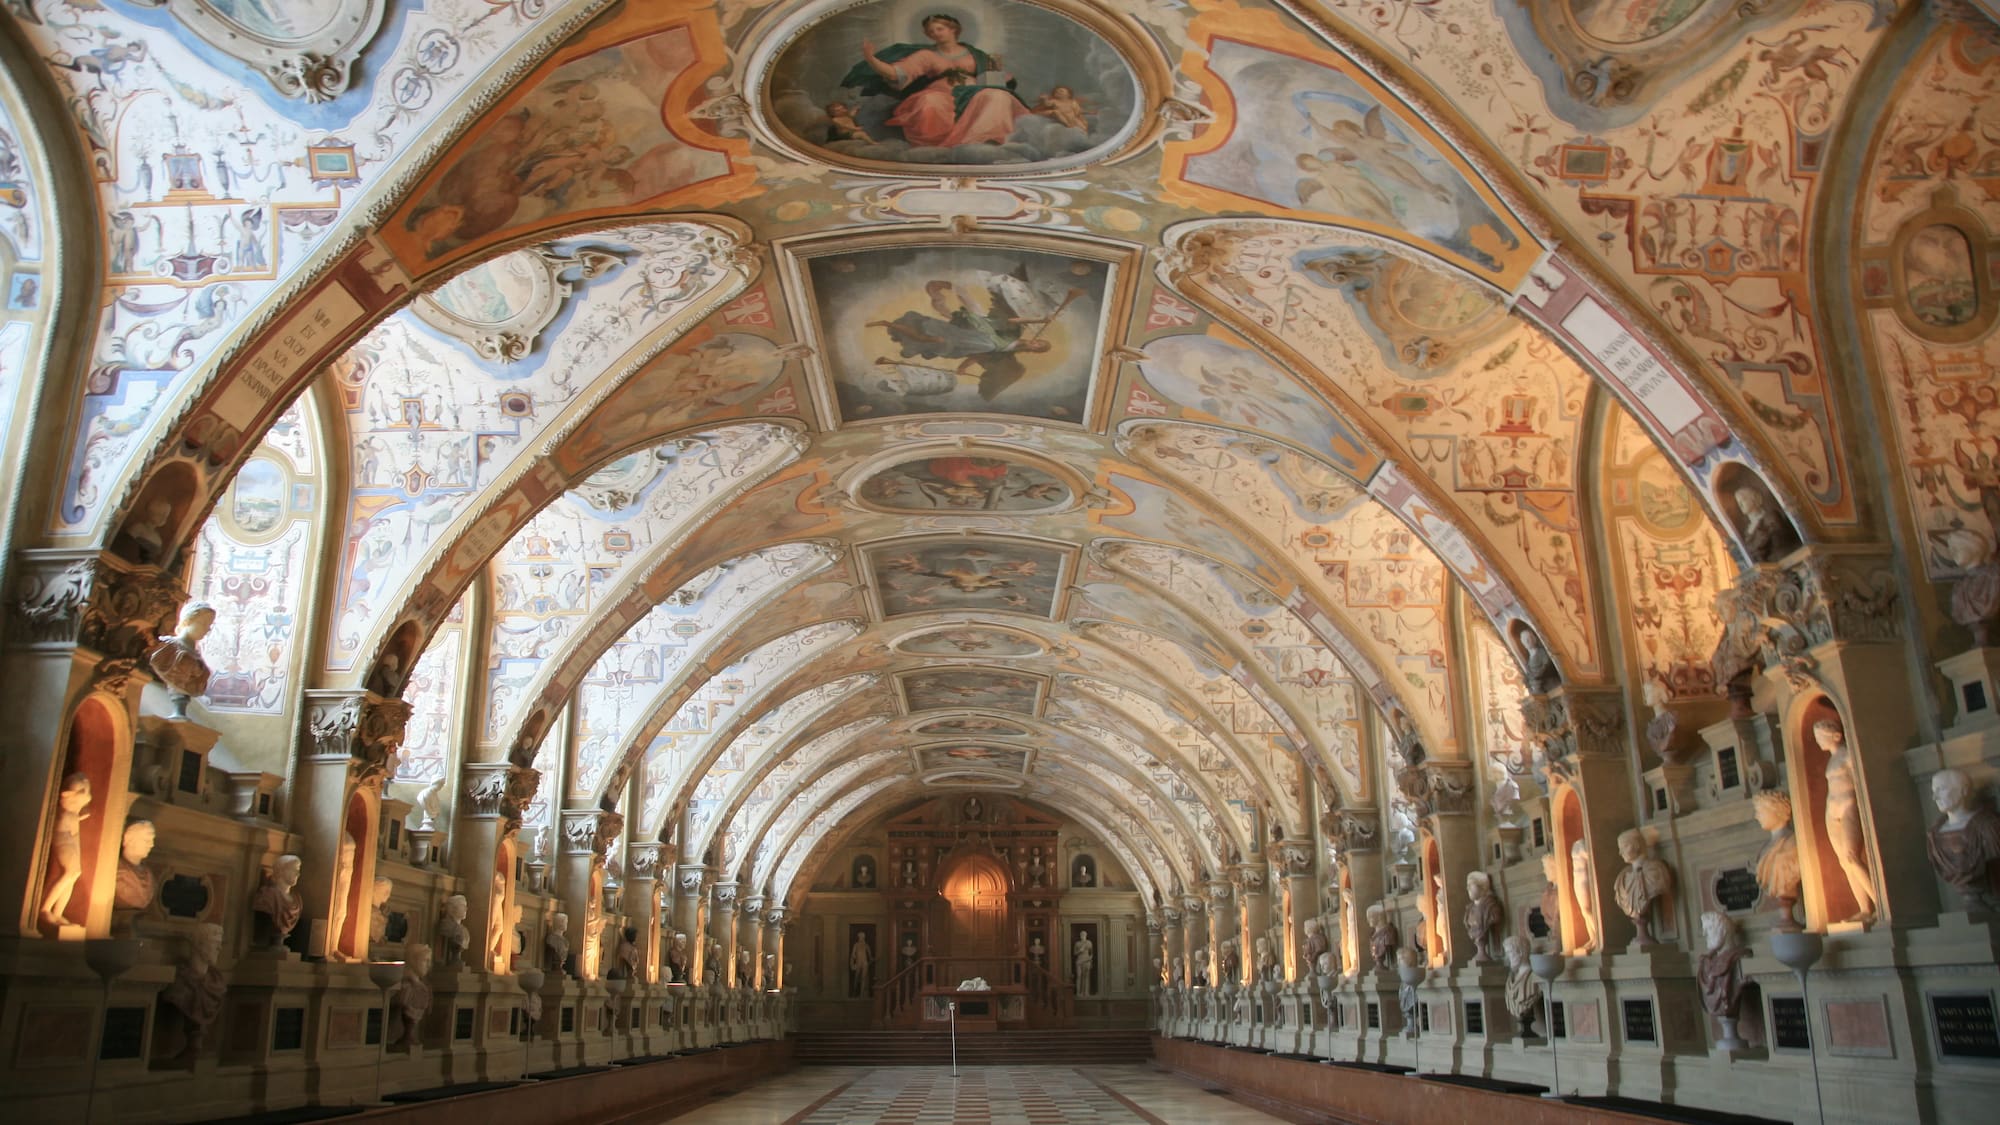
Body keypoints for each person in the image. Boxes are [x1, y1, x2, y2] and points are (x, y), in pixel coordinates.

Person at [843, 14, 1029, 149]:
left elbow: (996, 80)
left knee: (997, 95)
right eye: (930, 31)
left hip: (974, 93)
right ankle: (937, 148)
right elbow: (896, 74)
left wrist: (997, 70)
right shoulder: (926, 55)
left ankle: (984, 139)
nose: (935, 34)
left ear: (953, 29)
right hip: (941, 93)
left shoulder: (978, 55)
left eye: (940, 29)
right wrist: (871, 60)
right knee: (929, 102)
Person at [849, 930, 873, 996]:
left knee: (863, 978)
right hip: (858, 963)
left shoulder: (866, 945)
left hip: (865, 963)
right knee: (856, 977)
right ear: (858, 937)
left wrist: (871, 960)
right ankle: (854, 992)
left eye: (862, 937)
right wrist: (852, 964)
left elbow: (870, 956)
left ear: (864, 937)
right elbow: (852, 955)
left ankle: (861, 994)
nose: (861, 938)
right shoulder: (856, 945)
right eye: (860, 937)